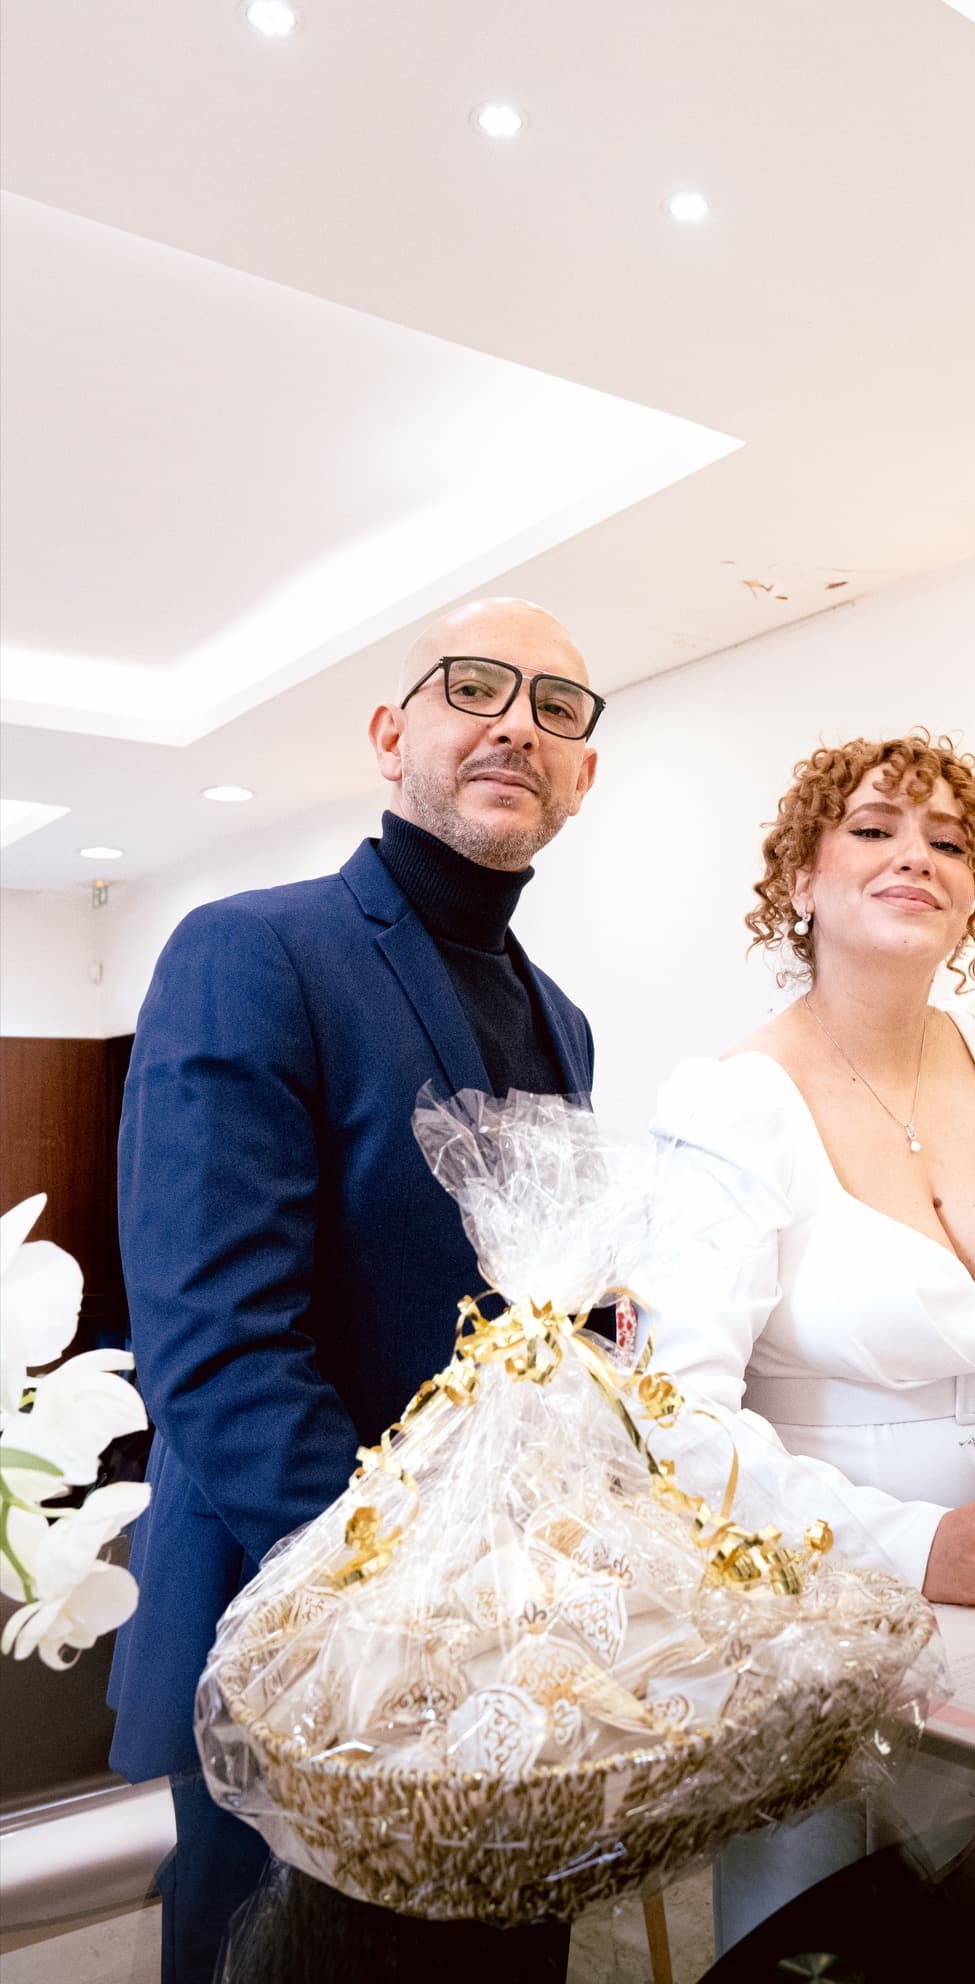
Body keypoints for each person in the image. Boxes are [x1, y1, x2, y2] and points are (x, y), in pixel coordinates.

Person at [107, 598, 603, 1984]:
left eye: (559, 708)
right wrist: (412, 1617)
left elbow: (522, 1324)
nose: (518, 722)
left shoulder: (564, 1018)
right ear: (393, 736)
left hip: (515, 1658)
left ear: (583, 777)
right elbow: (218, 1348)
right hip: (299, 1644)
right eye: (476, 687)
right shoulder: (250, 949)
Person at [646, 731, 975, 1947]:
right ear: (799, 881)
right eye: (873, 828)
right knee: (833, 1924)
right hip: (820, 1588)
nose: (917, 854)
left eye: (949, 841)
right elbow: (675, 1412)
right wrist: (915, 1545)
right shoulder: (737, 1100)